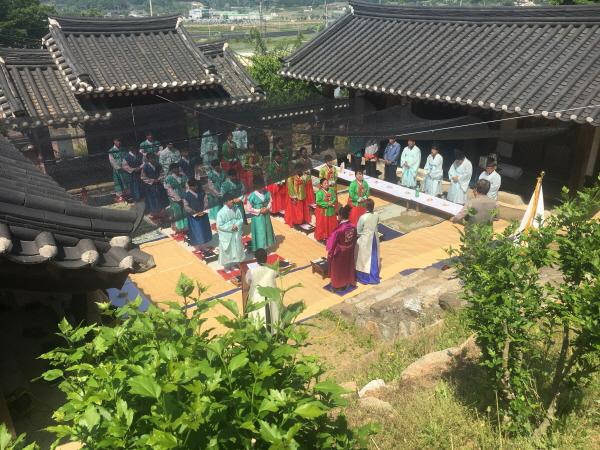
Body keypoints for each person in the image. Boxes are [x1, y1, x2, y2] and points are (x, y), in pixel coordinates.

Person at [326, 205, 358, 291]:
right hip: (349, 250)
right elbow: (355, 238)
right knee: (347, 266)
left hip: (340, 252)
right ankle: (347, 281)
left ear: (340, 216)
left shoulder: (339, 230)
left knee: (337, 268)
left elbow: (331, 243)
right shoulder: (353, 226)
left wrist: (330, 252)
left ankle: (337, 284)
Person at [245, 248, 279, 326]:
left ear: (256, 258)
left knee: (257, 315)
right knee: (273, 315)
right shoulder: (272, 269)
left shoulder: (251, 271)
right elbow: (276, 275)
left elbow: (248, 281)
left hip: (257, 296)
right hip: (271, 295)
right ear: (266, 257)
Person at [217, 193, 245, 273]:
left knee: (235, 249)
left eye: (232, 199)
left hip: (235, 233)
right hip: (226, 235)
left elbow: (240, 219)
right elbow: (219, 226)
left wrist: (236, 225)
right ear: (226, 202)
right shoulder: (221, 212)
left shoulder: (236, 209)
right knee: (227, 251)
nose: (232, 201)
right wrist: (230, 227)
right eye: (230, 200)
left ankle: (233, 264)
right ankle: (226, 267)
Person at [355, 199, 381, 285]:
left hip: (366, 239)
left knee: (363, 258)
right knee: (374, 256)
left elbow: (358, 230)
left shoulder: (363, 217)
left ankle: (365, 277)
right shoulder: (376, 215)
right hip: (374, 238)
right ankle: (374, 274)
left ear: (365, 207)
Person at [183, 179, 212, 247]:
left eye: (196, 186)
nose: (196, 187)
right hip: (194, 216)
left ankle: (205, 242)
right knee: (197, 230)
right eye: (194, 186)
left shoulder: (202, 193)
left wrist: (205, 208)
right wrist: (193, 211)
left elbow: (206, 201)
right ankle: (198, 244)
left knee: (204, 228)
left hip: (203, 213)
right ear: (190, 186)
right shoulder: (186, 195)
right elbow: (186, 206)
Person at [247, 187, 275, 252]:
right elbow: (249, 208)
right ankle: (260, 248)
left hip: (266, 214)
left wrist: (267, 208)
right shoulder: (252, 196)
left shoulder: (267, 193)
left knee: (267, 229)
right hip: (257, 217)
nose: (261, 188)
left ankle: (266, 246)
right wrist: (259, 210)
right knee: (260, 231)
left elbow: (270, 201)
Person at [141, 153, 169, 218]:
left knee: (161, 197)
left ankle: (163, 213)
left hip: (159, 184)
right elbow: (143, 177)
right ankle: (155, 213)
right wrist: (153, 180)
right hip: (150, 186)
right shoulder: (145, 167)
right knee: (153, 199)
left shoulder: (158, 165)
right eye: (151, 158)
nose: (153, 160)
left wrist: (159, 179)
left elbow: (162, 173)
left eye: (154, 158)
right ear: (148, 159)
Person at [164, 163, 189, 234]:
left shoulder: (183, 176)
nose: (177, 169)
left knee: (185, 210)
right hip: (174, 198)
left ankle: (186, 227)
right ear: (172, 170)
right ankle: (178, 229)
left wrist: (187, 193)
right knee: (177, 212)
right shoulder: (168, 178)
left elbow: (187, 185)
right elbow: (169, 190)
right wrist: (178, 199)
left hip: (184, 195)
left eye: (178, 167)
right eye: (175, 168)